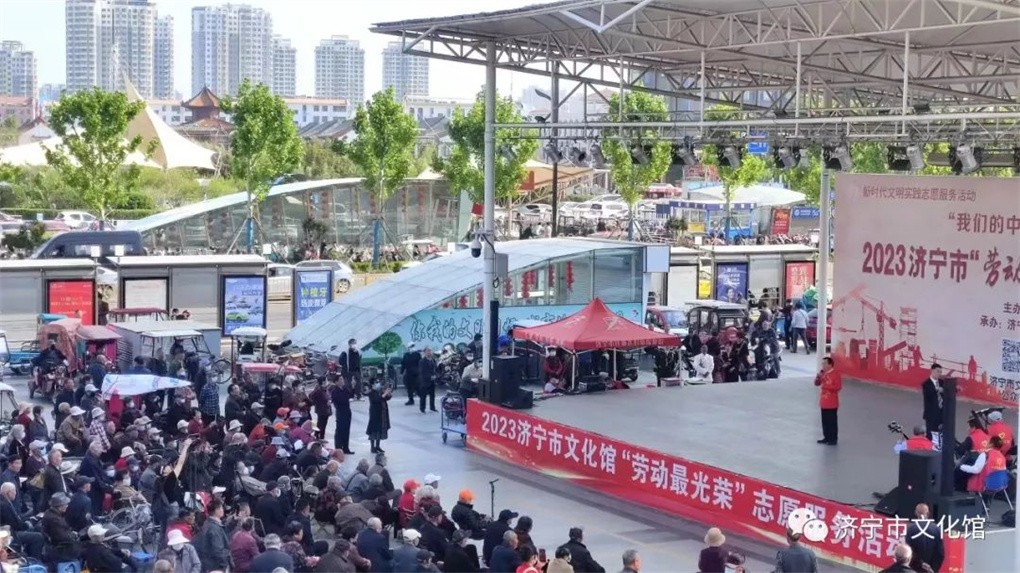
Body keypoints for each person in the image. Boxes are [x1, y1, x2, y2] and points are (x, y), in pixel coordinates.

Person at [0, 482, 44, 559]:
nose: (16, 494)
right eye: (14, 491)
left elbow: (16, 520)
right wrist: (29, 523)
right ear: (8, 493)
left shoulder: (5, 502)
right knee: (38, 537)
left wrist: (29, 520)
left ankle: (29, 556)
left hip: (10, 531)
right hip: (11, 534)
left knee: (35, 529)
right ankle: (35, 559)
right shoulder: (4, 505)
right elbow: (15, 525)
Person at [41, 493, 79, 567]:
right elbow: (63, 538)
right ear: (60, 507)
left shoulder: (50, 513)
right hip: (61, 550)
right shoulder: (55, 520)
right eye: (65, 504)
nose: (67, 506)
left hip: (58, 546)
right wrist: (74, 535)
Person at [195, 499, 231, 573]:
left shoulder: (208, 523)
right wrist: (225, 565)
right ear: (216, 510)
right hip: (216, 566)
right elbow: (218, 550)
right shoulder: (214, 528)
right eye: (221, 508)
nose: (222, 510)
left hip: (209, 565)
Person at [906, 503, 944, 573]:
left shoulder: (910, 529)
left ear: (915, 513)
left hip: (914, 569)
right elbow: (940, 553)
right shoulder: (937, 529)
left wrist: (921, 564)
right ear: (928, 513)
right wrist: (934, 569)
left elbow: (908, 552)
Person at [815, 356, 842, 445]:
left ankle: (833, 439)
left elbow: (838, 387)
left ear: (830, 364)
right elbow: (816, 383)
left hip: (832, 402)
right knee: (825, 421)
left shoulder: (836, 374)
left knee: (832, 422)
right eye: (822, 363)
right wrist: (818, 378)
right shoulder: (823, 373)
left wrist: (826, 385)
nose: (822, 365)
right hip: (824, 402)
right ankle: (826, 437)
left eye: (824, 363)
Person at [331, 375, 356, 454]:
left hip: (347, 412)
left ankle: (346, 448)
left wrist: (353, 387)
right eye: (341, 379)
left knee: (346, 430)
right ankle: (338, 448)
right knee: (340, 431)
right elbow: (341, 400)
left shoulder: (345, 389)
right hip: (340, 413)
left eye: (342, 379)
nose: (343, 381)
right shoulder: (335, 391)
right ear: (336, 382)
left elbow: (350, 395)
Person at [921, 364, 945, 442]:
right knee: (931, 435)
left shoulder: (942, 382)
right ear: (932, 371)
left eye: (940, 372)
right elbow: (928, 394)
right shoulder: (926, 384)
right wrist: (937, 389)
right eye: (938, 371)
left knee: (941, 434)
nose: (939, 374)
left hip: (942, 414)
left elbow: (948, 392)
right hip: (931, 415)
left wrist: (955, 389)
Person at [367, 381, 392, 453]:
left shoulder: (379, 391)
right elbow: (377, 399)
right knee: (373, 430)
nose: (377, 385)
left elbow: (386, 398)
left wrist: (388, 393)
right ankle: (372, 447)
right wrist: (385, 394)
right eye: (375, 383)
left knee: (379, 430)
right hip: (374, 413)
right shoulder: (371, 392)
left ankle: (377, 446)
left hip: (381, 413)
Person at [419, 347, 438, 413]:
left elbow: (435, 369)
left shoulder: (433, 360)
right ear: (424, 352)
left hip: (432, 381)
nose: (429, 352)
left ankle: (432, 407)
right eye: (427, 351)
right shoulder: (422, 361)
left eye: (430, 351)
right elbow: (422, 372)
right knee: (423, 396)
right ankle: (422, 409)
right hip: (425, 381)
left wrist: (435, 376)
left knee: (432, 395)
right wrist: (430, 377)